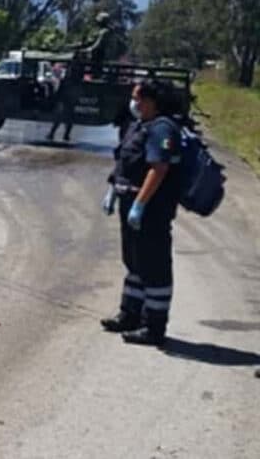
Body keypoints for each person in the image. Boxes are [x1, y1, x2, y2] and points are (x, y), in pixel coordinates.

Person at [100, 79, 182, 346]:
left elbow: (158, 169)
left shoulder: (163, 128)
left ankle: (154, 326)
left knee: (154, 267)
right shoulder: (138, 125)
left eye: (137, 97)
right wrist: (114, 189)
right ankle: (130, 314)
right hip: (130, 200)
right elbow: (125, 160)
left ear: (151, 101)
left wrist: (140, 204)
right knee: (134, 262)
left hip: (152, 209)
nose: (133, 102)